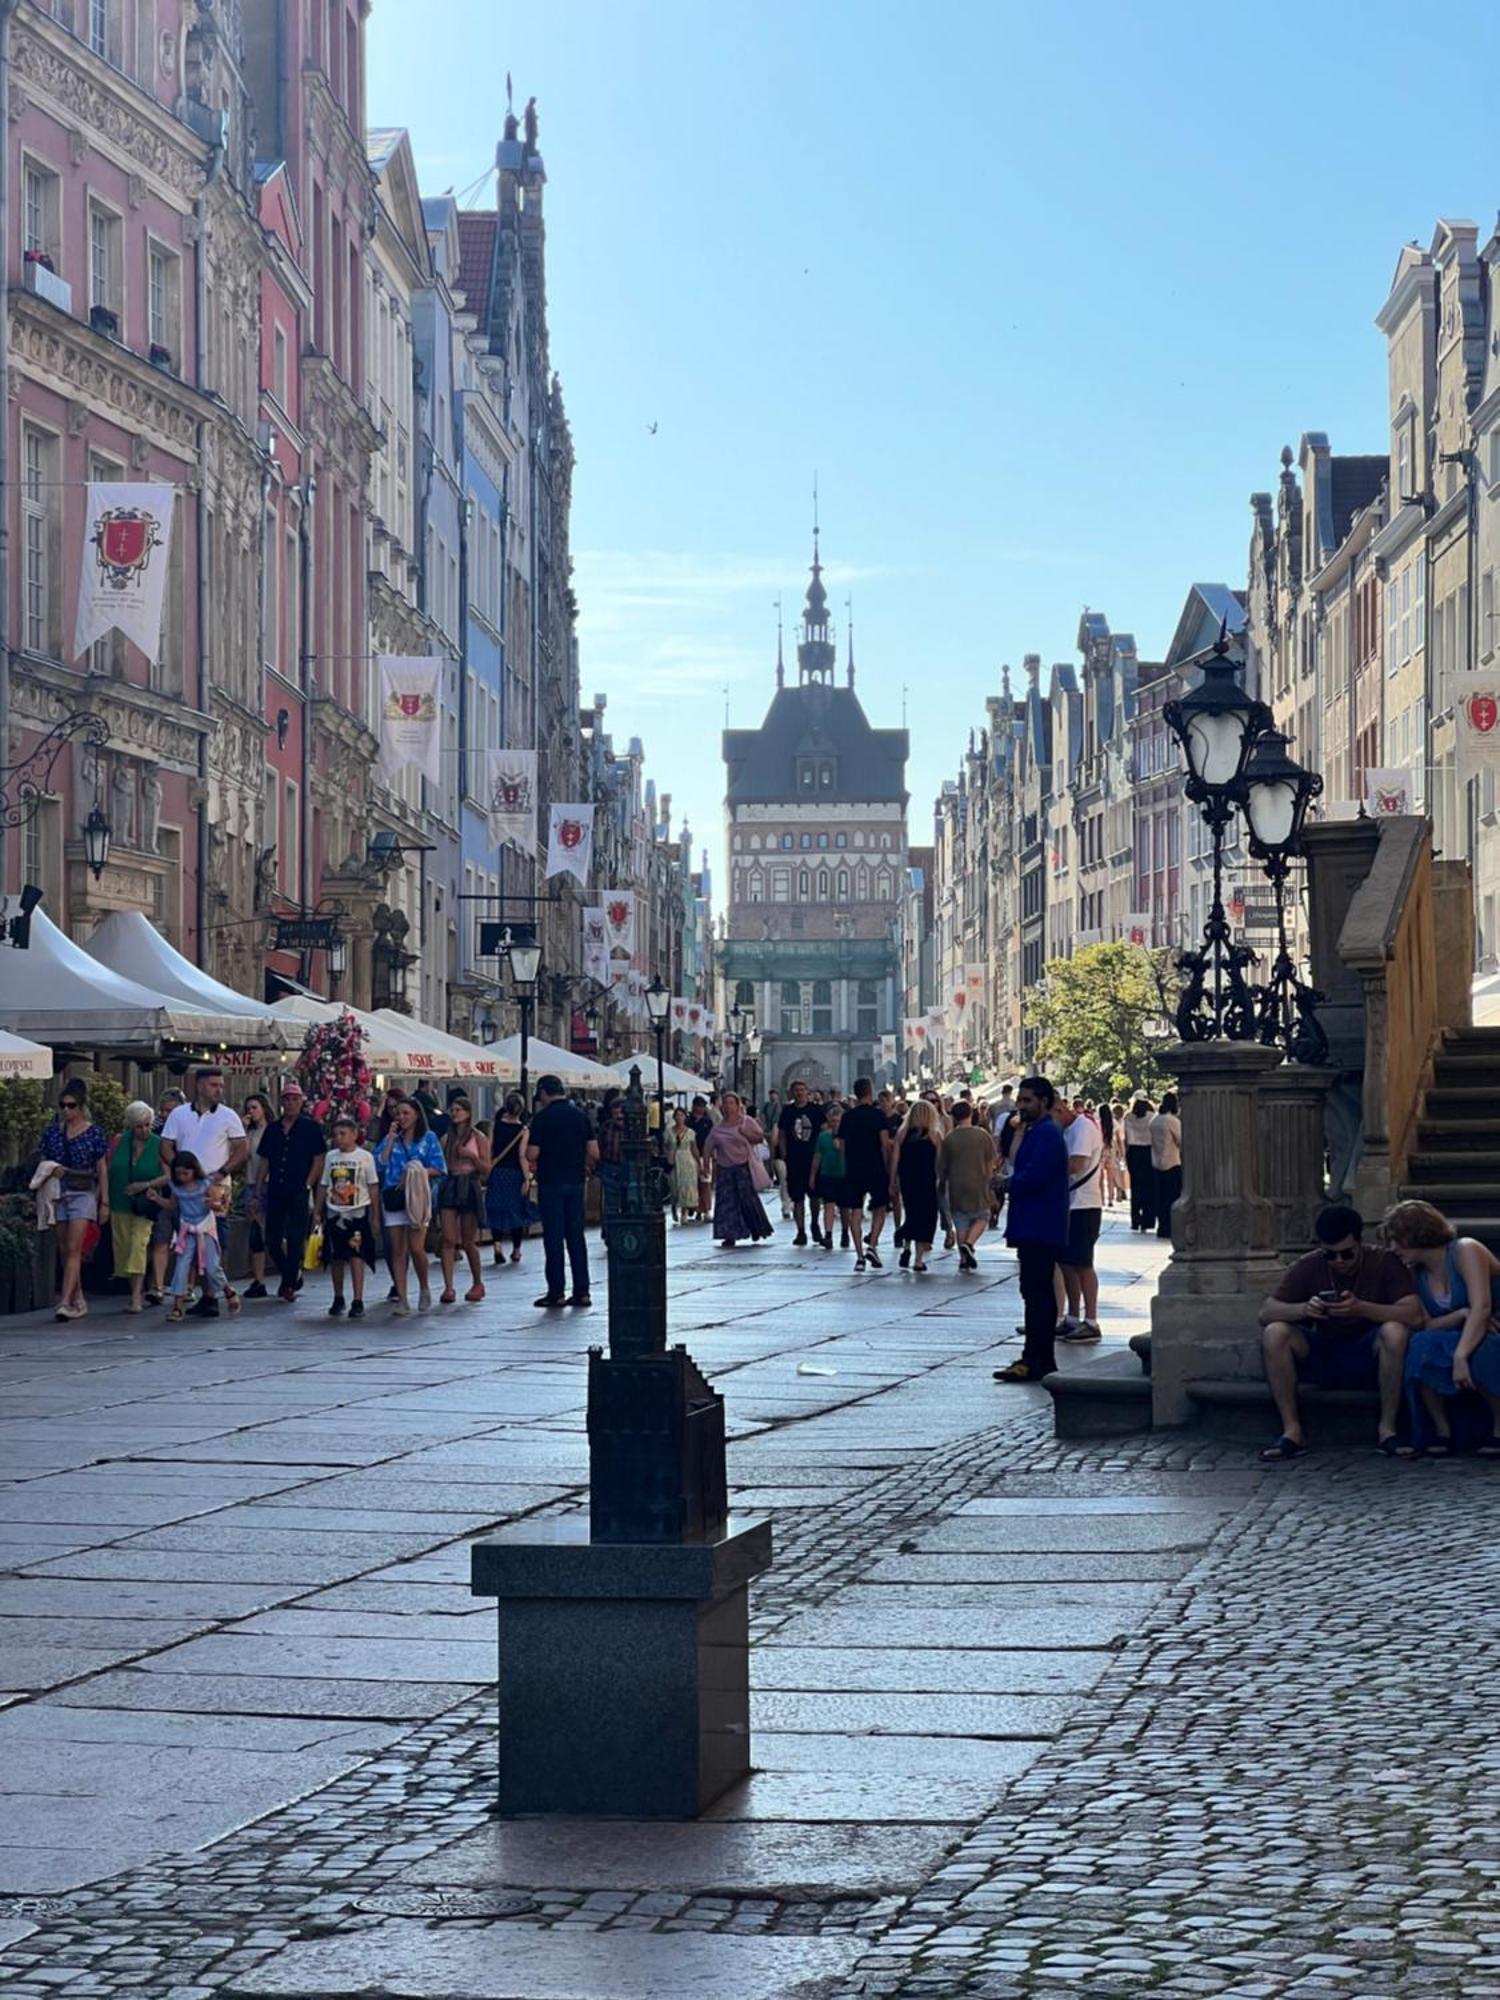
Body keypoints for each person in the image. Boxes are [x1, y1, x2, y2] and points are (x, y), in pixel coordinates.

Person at [1257, 1204, 1421, 1459]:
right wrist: (1304, 1309)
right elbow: (1266, 1312)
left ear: (1360, 1243)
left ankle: (1387, 1428)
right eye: (1330, 1255)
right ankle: (1292, 1431)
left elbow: (1413, 1314)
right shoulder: (1310, 1264)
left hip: (1369, 1352)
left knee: (1394, 1331)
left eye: (1347, 1254)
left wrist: (1362, 1309)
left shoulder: (1384, 1262)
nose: (1339, 1262)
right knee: (1275, 1332)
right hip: (1323, 1351)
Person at [1384, 1199, 1500, 1456]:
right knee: (1422, 1344)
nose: (1393, 1249)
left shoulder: (1465, 1250)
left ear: (1417, 1235)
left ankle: (1498, 1426)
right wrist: (1460, 1314)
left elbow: (1482, 1308)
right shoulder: (1416, 1272)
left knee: (1483, 1347)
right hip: (1459, 1328)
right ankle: (1441, 1429)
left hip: (1492, 1326)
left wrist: (1460, 1355)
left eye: (1397, 1240)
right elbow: (1427, 1323)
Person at [994, 1076, 1070, 1384]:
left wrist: (1005, 1183)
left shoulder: (1047, 1134)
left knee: (1037, 1292)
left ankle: (1037, 1358)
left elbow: (1034, 1176)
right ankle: (1037, 1356)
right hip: (1034, 1222)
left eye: (1027, 1101)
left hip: (1040, 1223)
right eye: (1020, 1101)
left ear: (1044, 1101)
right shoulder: (1035, 1131)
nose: (1021, 1107)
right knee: (1034, 1291)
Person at [160, 1068, 247, 1319]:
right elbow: (166, 1144)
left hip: (216, 1182)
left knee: (215, 1234)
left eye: (221, 1085)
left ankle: (212, 1292)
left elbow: (242, 1147)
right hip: (188, 1183)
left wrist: (223, 1171)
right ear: (199, 1086)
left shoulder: (228, 1116)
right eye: (213, 1085)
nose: (219, 1089)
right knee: (187, 1238)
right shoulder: (179, 1114)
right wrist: (180, 1168)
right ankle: (194, 1292)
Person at [39, 1081, 110, 1323]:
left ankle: (65, 1302)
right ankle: (78, 1297)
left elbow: (101, 1168)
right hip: (58, 1192)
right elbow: (42, 1158)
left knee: (74, 1249)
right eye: (62, 1106)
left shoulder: (93, 1133)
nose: (66, 1110)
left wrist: (105, 1202)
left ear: (81, 1108)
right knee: (64, 1249)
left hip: (83, 1192)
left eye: (71, 1106)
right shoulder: (53, 1132)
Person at [527, 1075, 597, 1308]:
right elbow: (594, 1151)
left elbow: (532, 1154)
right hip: (576, 1181)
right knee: (576, 1237)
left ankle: (556, 1291)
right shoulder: (580, 1116)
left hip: (551, 1182)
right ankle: (582, 1291)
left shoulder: (542, 1118)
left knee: (554, 1238)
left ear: (545, 1092)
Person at [257, 1082, 327, 1304]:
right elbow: (265, 1159)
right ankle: (291, 1274)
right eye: (287, 1099)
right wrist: (259, 1185)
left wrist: (309, 1183)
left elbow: (319, 1158)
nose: (290, 1103)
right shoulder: (273, 1129)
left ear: (301, 1102)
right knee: (273, 1239)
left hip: (298, 1187)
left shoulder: (310, 1128)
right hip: (276, 1187)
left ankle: (288, 1283)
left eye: (295, 1099)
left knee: (296, 1237)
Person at [376, 1098, 444, 1316]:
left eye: (406, 1113)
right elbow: (379, 1164)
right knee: (397, 1249)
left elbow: (439, 1167)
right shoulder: (391, 1139)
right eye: (399, 1114)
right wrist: (390, 1140)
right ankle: (402, 1297)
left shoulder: (429, 1138)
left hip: (416, 1196)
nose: (402, 1117)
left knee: (416, 1247)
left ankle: (424, 1287)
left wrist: (417, 1172)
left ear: (416, 1115)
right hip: (394, 1195)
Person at [152, 1151, 239, 1322]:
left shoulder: (205, 1184)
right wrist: (156, 1198)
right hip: (188, 1230)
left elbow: (219, 1206)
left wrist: (213, 1204)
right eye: (179, 1174)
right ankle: (177, 1306)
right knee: (181, 1267)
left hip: (206, 1228)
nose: (183, 1177)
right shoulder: (176, 1188)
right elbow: (171, 1205)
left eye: (186, 1173)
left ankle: (228, 1290)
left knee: (212, 1267)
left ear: (194, 1171)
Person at [316, 1114, 380, 1318]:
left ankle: (358, 1298)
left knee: (356, 1255)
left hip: (357, 1212)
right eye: (336, 1135)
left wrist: (375, 1216)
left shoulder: (364, 1158)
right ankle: (338, 1296)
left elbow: (373, 1187)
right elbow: (324, 1184)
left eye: (343, 1134)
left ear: (354, 1135)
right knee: (336, 1257)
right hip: (335, 1212)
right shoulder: (331, 1157)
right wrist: (318, 1211)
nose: (339, 1138)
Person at [1053, 1096, 1104, 1343]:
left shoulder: (1082, 1128)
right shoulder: (1068, 1129)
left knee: (1083, 1263)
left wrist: (1046, 1167)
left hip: (1084, 1204)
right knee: (1067, 1263)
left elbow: (1077, 1164)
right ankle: (1073, 1317)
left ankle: (1091, 1320)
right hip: (1071, 1204)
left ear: (1060, 1109)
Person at [107, 1100, 163, 1315]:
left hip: (144, 1203)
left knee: (138, 1244)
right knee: (123, 1249)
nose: (144, 1130)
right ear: (131, 1125)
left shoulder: (159, 1144)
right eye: (139, 1126)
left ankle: (136, 1297)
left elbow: (170, 1173)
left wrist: (147, 1185)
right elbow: (106, 1168)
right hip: (119, 1202)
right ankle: (134, 1292)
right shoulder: (119, 1141)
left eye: (148, 1125)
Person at [437, 1096, 492, 1303]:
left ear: (468, 1113)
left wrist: (471, 1156)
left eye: (459, 1109)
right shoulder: (446, 1138)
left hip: (469, 1183)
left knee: (469, 1240)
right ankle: (448, 1287)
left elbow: (487, 1169)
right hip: (451, 1182)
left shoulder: (478, 1138)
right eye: (452, 1109)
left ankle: (478, 1282)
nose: (455, 1113)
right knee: (449, 1238)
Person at [703, 1091, 774, 1247]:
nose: (728, 1107)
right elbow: (708, 1146)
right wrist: (706, 1166)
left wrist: (746, 1134)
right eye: (726, 1103)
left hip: (743, 1167)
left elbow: (759, 1138)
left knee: (747, 1200)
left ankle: (756, 1228)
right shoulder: (718, 1127)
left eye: (731, 1103)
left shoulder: (746, 1122)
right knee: (727, 1203)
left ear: (737, 1105)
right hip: (725, 1168)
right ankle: (729, 1234)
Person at [840, 1077, 894, 1271]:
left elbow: (842, 1147)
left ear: (855, 1092)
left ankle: (860, 1256)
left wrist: (847, 1166)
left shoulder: (847, 1117)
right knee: (879, 1207)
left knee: (856, 1211)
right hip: (875, 1167)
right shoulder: (878, 1116)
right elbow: (885, 1144)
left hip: (854, 1168)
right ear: (870, 1092)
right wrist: (889, 1168)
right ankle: (873, 1243)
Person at [939, 1100, 997, 1272]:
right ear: (971, 1114)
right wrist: (991, 1181)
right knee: (982, 1216)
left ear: (954, 1117)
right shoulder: (982, 1135)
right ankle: (969, 1245)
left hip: (956, 1184)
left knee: (961, 1220)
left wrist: (942, 1183)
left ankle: (964, 1258)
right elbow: (991, 1162)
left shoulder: (949, 1138)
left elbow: (942, 1165)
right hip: (979, 1182)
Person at [775, 1080, 826, 1246]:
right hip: (795, 1158)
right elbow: (782, 1133)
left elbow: (824, 1130)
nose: (799, 1093)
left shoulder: (816, 1110)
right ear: (791, 1093)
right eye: (796, 1090)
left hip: (813, 1158)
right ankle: (801, 1231)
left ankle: (815, 1224)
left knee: (815, 1195)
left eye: (802, 1090)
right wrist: (784, 1152)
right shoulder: (787, 1111)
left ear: (807, 1092)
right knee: (797, 1198)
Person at [486, 1093, 534, 1267]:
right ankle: (516, 1249)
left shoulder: (496, 1126)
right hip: (514, 1174)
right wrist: (526, 1178)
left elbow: (489, 1149)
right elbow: (522, 1155)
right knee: (516, 1211)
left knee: (496, 1209)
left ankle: (497, 1245)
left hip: (497, 1172)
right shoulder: (523, 1130)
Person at [894, 1099, 941, 1272]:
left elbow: (895, 1159)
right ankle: (918, 1260)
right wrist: (941, 1180)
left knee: (911, 1213)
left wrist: (893, 1179)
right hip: (927, 1180)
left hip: (908, 1179)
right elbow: (939, 1162)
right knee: (926, 1217)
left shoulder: (902, 1133)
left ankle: (906, 1245)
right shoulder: (934, 1135)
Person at [240, 1093, 274, 1299]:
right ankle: (258, 1279)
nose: (251, 1112)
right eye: (248, 1108)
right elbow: (240, 1154)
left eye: (254, 1107)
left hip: (271, 1183)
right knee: (255, 1233)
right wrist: (242, 1129)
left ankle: (290, 1270)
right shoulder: (249, 1133)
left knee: (273, 1231)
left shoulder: (271, 1130)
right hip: (251, 1182)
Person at [809, 1102, 846, 1249]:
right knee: (828, 1205)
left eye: (838, 1121)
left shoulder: (847, 1137)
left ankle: (845, 1232)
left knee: (844, 1207)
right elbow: (817, 1156)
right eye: (833, 1121)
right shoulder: (823, 1137)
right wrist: (812, 1175)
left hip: (843, 1173)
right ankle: (828, 1234)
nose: (836, 1124)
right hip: (827, 1173)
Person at [1150, 1092, 1182, 1241]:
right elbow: (1181, 1140)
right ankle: (1171, 1226)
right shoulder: (1172, 1121)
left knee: (1160, 1197)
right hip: (1172, 1162)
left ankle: (1162, 1225)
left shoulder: (1154, 1120)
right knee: (1172, 1196)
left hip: (1156, 1163)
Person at [1122, 1098, 1156, 1233]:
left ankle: (1135, 1220)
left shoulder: (1128, 1117)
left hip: (1134, 1152)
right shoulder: (1152, 1117)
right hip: (1148, 1151)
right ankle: (1148, 1220)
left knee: (1135, 1187)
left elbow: (1126, 1137)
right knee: (1149, 1187)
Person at [595, 1091, 626, 1230]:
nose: (618, 1117)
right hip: (610, 1166)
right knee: (610, 1202)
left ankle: (624, 1230)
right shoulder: (606, 1127)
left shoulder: (632, 1128)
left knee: (627, 1200)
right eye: (615, 1113)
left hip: (627, 1167)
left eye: (620, 1113)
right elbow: (599, 1146)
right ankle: (609, 1232)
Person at [670, 1106, 702, 1223]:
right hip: (674, 1159)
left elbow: (694, 1149)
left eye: (682, 1115)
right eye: (677, 1115)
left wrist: (699, 1163)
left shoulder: (690, 1133)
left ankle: (684, 1212)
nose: (679, 1118)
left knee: (687, 1186)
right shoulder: (669, 1132)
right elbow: (666, 1146)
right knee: (674, 1187)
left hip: (687, 1160)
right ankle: (674, 1206)